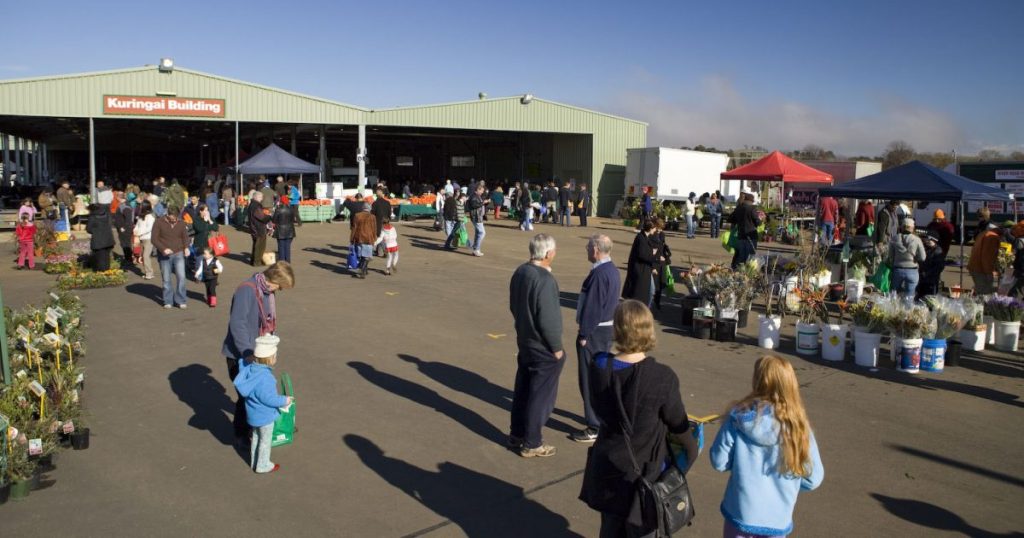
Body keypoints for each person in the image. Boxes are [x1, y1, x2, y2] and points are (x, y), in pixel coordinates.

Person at [579, 300, 698, 537]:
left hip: (609, 464)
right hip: (646, 470)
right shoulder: (661, 377)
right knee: (643, 527)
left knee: (611, 526)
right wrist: (691, 448)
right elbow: (678, 423)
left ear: (618, 330)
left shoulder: (599, 366)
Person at [710, 355, 824, 538]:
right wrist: (791, 483)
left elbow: (719, 461)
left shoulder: (738, 418)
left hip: (740, 514)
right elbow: (813, 479)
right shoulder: (800, 428)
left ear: (757, 381)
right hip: (777, 519)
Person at [223, 262, 294, 445]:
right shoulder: (247, 290)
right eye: (280, 286)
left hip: (258, 351)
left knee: (260, 392)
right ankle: (241, 434)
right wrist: (247, 353)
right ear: (273, 280)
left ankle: (267, 425)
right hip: (242, 353)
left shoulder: (266, 291)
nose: (279, 290)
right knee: (246, 395)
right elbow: (237, 324)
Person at [508, 234, 564, 458]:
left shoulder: (521, 271)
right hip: (542, 345)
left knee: (523, 388)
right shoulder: (545, 280)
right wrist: (557, 347)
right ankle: (532, 441)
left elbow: (513, 305)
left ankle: (518, 434)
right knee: (540, 395)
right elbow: (548, 319)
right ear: (549, 254)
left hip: (525, 339)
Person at [572, 234, 621, 444]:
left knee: (589, 378)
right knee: (599, 376)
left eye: (588, 247)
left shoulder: (600, 274)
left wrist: (584, 334)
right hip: (605, 330)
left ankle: (594, 424)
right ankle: (602, 419)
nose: (586, 250)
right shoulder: (611, 270)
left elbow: (593, 307)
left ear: (595, 250)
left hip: (595, 332)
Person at [233, 334, 293, 474]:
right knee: (265, 441)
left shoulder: (249, 370)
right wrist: (285, 400)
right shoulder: (266, 378)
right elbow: (269, 399)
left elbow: (242, 362)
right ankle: (263, 465)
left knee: (256, 438)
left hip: (253, 415)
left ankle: (254, 461)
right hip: (265, 417)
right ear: (270, 359)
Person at [152, 206, 190, 309]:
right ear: (167, 215)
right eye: (173, 218)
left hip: (179, 252)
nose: (174, 220)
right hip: (164, 255)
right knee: (166, 279)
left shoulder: (181, 223)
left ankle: (181, 300)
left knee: (181, 277)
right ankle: (168, 301)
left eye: (176, 218)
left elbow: (185, 237)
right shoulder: (159, 222)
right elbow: (154, 239)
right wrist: (163, 249)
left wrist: (186, 247)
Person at [621, 220, 659, 306]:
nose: (655, 230)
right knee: (641, 293)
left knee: (648, 291)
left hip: (644, 269)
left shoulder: (645, 237)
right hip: (640, 269)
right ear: (650, 228)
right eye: (654, 228)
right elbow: (642, 254)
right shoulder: (640, 238)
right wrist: (654, 256)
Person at [889, 218, 926, 297]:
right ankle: (907, 309)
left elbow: (890, 256)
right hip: (912, 271)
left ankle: (892, 308)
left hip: (897, 270)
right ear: (912, 228)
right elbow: (923, 257)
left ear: (901, 227)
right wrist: (916, 259)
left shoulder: (895, 238)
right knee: (909, 296)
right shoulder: (917, 239)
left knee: (893, 294)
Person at [728, 193, 762, 269]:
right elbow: (758, 222)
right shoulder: (752, 209)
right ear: (751, 201)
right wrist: (760, 219)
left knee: (742, 256)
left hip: (741, 235)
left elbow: (730, 219)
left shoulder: (739, 208)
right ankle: (747, 273)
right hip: (751, 236)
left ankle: (739, 272)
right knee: (750, 257)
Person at [968, 222, 1001, 294]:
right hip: (981, 270)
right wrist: (988, 273)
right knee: (984, 294)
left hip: (974, 267)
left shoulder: (982, 234)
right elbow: (987, 257)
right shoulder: (992, 237)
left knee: (980, 292)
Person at [86, 203, 115, 272]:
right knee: (106, 257)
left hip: (98, 240)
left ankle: (102, 273)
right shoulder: (106, 214)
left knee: (99, 257)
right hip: (108, 238)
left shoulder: (92, 217)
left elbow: (88, 229)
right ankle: (107, 271)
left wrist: (95, 231)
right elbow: (110, 224)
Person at [650, 218, 672, 310]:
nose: (660, 230)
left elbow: (661, 246)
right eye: (659, 228)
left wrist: (665, 256)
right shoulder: (652, 234)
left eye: (661, 228)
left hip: (661, 262)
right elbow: (653, 248)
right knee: (653, 284)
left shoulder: (662, 234)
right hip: (655, 261)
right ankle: (651, 301)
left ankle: (657, 301)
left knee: (660, 283)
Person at [350, 204, 377, 278]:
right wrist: (374, 238)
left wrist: (351, 239)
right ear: (369, 209)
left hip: (359, 238)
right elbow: (374, 229)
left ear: (363, 208)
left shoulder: (357, 215)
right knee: (366, 256)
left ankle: (362, 271)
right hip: (368, 238)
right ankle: (363, 271)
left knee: (361, 255)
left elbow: (354, 228)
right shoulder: (372, 217)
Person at [917, 232, 945, 300]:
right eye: (926, 239)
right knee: (920, 298)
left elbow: (938, 267)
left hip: (931, 281)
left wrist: (926, 273)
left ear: (934, 241)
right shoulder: (925, 249)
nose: (927, 241)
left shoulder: (938, 251)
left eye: (929, 239)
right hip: (922, 279)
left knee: (930, 299)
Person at [133, 201, 156, 279]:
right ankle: (148, 272)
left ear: (146, 207)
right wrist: (135, 231)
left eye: (141, 206)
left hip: (148, 239)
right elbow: (137, 225)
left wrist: (139, 233)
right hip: (141, 238)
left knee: (146, 256)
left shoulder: (150, 217)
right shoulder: (140, 216)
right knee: (143, 256)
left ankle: (149, 274)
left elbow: (149, 228)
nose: (140, 207)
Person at [248, 191, 271, 266]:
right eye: (261, 197)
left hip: (254, 228)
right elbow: (262, 218)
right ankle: (257, 262)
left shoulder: (252, 204)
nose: (262, 199)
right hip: (258, 228)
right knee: (260, 246)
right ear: (256, 197)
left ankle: (253, 261)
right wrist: (269, 216)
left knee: (256, 245)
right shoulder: (256, 206)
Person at [272, 198, 298, 264]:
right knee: (287, 246)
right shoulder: (291, 209)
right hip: (290, 230)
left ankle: (282, 261)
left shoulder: (278, 209)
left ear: (281, 202)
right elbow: (293, 219)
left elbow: (274, 220)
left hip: (280, 230)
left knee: (281, 246)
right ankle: (288, 261)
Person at [112, 192, 135, 265]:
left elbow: (128, 219)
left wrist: (123, 227)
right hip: (123, 228)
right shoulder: (122, 205)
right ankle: (128, 258)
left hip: (125, 229)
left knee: (126, 244)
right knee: (124, 244)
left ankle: (129, 260)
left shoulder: (125, 206)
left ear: (119, 197)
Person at [467, 184, 487, 256]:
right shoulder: (474, 196)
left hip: (478, 217)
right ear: (478, 190)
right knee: (482, 233)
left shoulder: (477, 196)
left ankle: (475, 249)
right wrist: (483, 203)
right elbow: (474, 205)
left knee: (478, 233)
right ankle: (476, 249)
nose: (482, 192)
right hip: (476, 217)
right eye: (481, 191)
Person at [371, 188, 392, 255]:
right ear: (382, 195)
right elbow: (389, 213)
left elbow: (372, 214)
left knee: (379, 236)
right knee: (383, 236)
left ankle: (385, 250)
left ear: (377, 195)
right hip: (386, 221)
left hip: (378, 222)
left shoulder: (375, 203)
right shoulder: (387, 202)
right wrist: (388, 219)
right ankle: (378, 251)